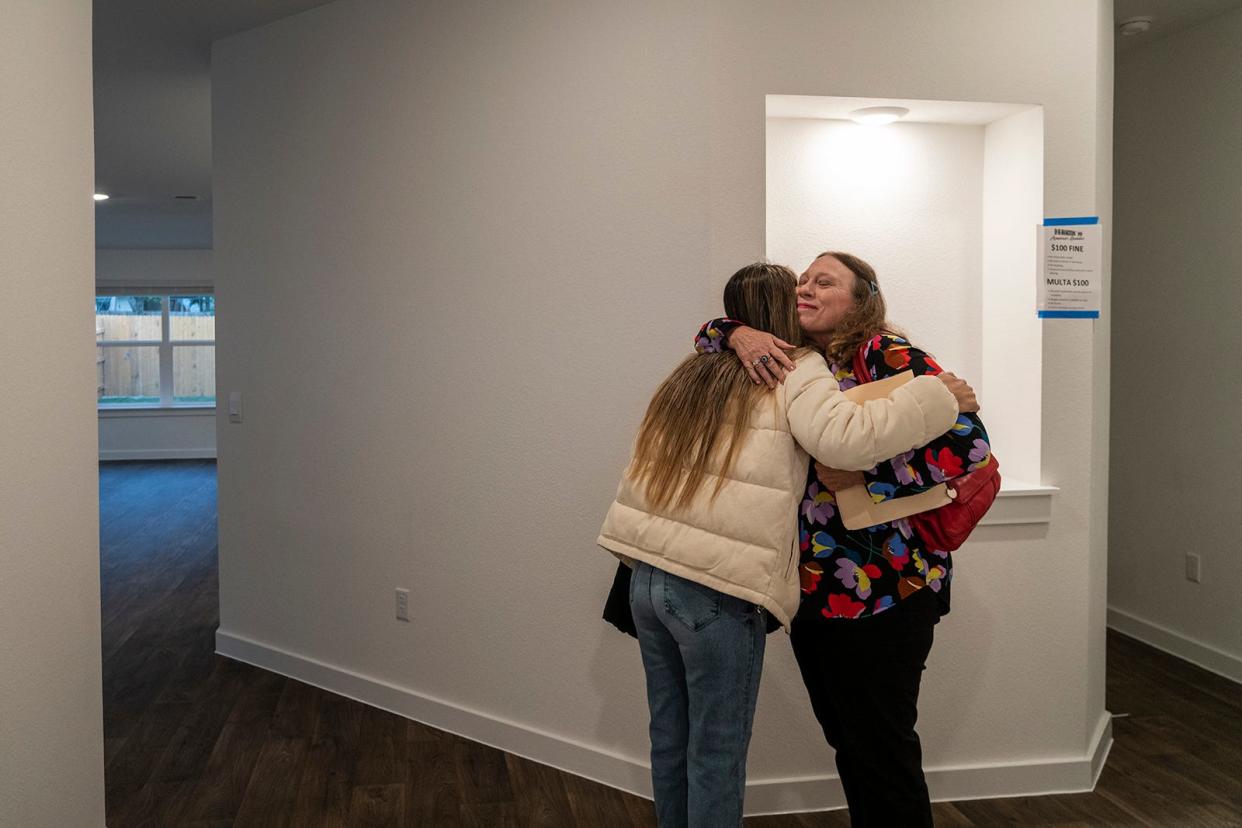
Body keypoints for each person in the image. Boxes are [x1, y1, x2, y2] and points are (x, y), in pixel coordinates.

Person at [598, 262, 979, 828]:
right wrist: (730, 331)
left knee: (685, 737)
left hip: (877, 590)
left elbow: (966, 449)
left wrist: (875, 472)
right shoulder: (785, 364)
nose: (807, 289)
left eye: (824, 282)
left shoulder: (704, 370)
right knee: (733, 749)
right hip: (779, 591)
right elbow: (842, 438)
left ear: (862, 299)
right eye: (801, 283)